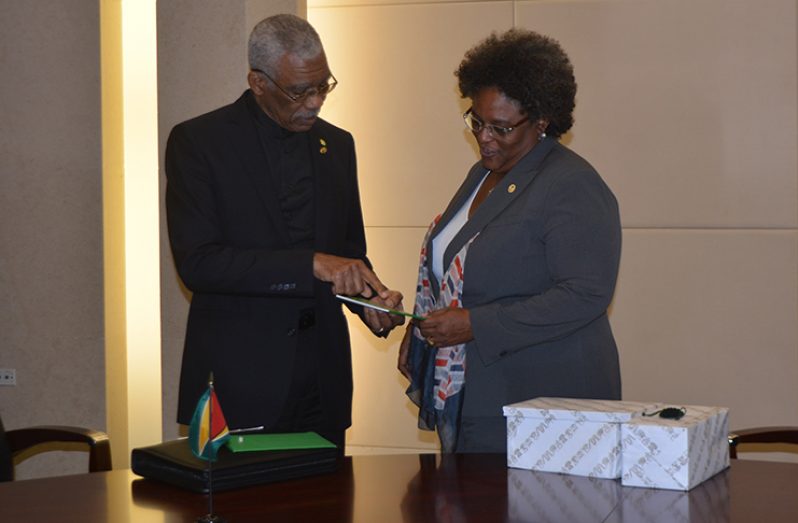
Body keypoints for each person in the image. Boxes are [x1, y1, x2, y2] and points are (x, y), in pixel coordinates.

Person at [165, 14, 404, 450]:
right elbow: (199, 263)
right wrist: (309, 264)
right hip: (239, 387)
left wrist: (369, 298)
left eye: (323, 86)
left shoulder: (339, 145)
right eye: (299, 91)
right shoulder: (199, 143)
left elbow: (348, 253)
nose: (314, 102)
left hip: (322, 386)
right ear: (258, 82)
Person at [398, 29, 622, 453]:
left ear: (542, 123)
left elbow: (586, 294)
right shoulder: (482, 174)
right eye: (477, 121)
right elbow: (456, 270)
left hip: (544, 402)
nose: (484, 137)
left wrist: (473, 324)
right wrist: (422, 327)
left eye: (501, 128)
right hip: (478, 389)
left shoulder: (572, 184)